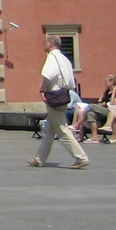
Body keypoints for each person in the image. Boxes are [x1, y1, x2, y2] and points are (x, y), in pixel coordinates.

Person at [29, 34, 89, 169]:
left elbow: (48, 75)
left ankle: (81, 157)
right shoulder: (64, 59)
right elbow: (71, 81)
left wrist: (42, 90)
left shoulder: (52, 57)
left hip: (54, 95)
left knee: (62, 129)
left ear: (51, 43)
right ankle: (40, 159)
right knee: (50, 128)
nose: (43, 44)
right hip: (64, 94)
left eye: (45, 42)